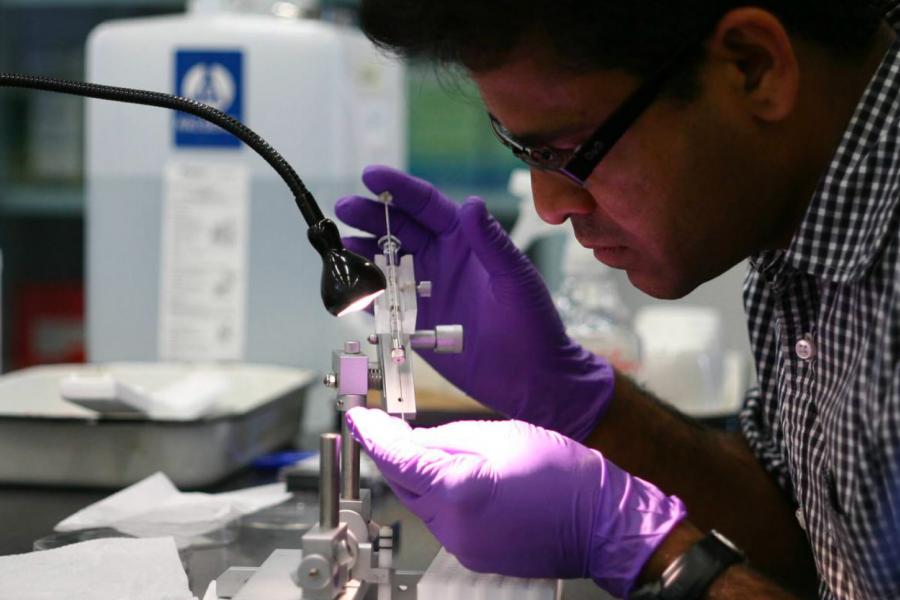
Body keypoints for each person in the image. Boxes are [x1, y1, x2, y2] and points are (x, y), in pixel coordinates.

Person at [335, 2, 900, 598]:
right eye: (522, 151)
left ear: (751, 67)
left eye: (569, 153)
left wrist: (648, 546)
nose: (551, 205)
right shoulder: (799, 240)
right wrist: (580, 402)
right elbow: (802, 540)